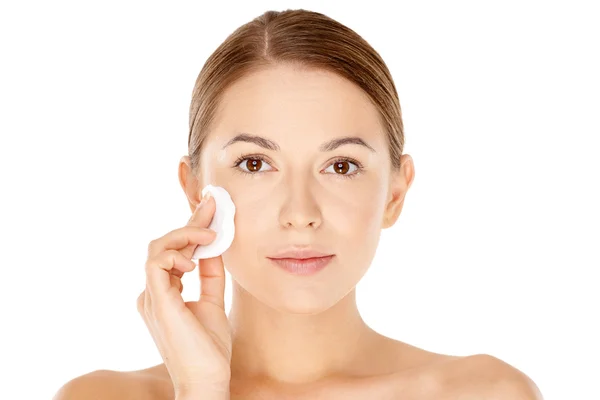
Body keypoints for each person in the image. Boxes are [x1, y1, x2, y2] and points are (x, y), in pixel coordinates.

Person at [54, 8, 542, 400]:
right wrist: (201, 389)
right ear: (195, 189)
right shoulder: (97, 396)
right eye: (254, 164)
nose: (300, 212)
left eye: (342, 166)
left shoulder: (486, 393)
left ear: (395, 193)